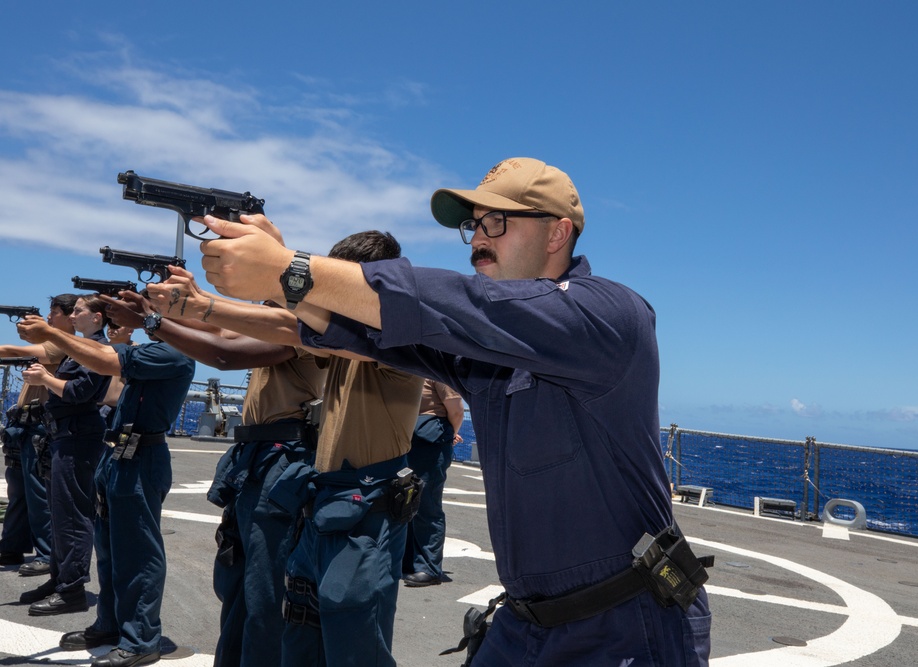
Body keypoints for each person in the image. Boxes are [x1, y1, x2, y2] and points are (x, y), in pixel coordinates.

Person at [196, 158, 712, 666]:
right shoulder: (491, 353)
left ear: (557, 234)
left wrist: (294, 269)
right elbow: (376, 336)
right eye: (475, 225)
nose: (479, 239)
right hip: (525, 621)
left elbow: (468, 305)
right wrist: (283, 280)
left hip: (625, 623)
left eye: (497, 222)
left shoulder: (609, 314)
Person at [147, 231, 424, 667]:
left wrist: (273, 261)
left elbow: (255, 338)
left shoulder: (391, 338)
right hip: (327, 496)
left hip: (366, 501)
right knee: (301, 631)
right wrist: (197, 300)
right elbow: (265, 325)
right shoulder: (341, 341)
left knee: (354, 639)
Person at [130, 298, 328, 667]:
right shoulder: (266, 328)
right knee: (236, 578)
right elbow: (220, 330)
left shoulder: (298, 330)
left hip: (280, 458)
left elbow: (223, 353)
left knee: (265, 591)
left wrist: (154, 321)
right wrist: (167, 311)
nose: (257, 303)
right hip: (254, 456)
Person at [19, 291, 195, 667]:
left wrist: (57, 334)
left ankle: (140, 638)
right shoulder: (151, 353)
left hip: (140, 458)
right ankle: (112, 625)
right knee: (112, 549)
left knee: (138, 552)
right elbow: (111, 386)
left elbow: (101, 363)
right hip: (119, 454)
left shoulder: (170, 353)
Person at [17, 294, 111, 616]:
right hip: (64, 436)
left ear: (97, 318)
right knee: (60, 513)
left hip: (77, 438)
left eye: (80, 311)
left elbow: (79, 392)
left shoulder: (97, 350)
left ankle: (71, 590)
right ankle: (59, 579)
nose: (74, 316)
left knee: (72, 516)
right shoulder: (80, 350)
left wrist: (44, 379)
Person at [0, 295, 76, 577]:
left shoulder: (62, 344)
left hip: (40, 426)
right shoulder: (50, 343)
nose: (49, 316)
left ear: (69, 318)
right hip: (24, 424)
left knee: (38, 493)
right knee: (18, 490)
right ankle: (12, 545)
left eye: (55, 312)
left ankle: (46, 553)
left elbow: (11, 349)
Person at [401, 379, 464, 588]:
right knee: (404, 502)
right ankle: (408, 562)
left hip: (430, 442)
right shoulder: (410, 363)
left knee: (427, 505)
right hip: (407, 439)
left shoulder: (437, 366)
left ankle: (428, 567)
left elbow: (456, 411)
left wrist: (450, 434)